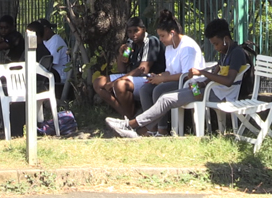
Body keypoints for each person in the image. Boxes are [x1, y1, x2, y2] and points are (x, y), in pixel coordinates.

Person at [106, 18, 248, 138]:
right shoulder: (225, 51)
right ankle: (141, 128)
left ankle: (131, 125)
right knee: (163, 96)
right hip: (204, 91)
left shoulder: (236, 53)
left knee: (166, 98)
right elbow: (216, 76)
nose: (216, 48)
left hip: (219, 96)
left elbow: (229, 81)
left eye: (216, 44)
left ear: (226, 39)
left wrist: (203, 74)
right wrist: (203, 81)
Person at [136, 9, 205, 135]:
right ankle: (152, 129)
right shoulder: (169, 47)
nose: (160, 39)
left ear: (172, 33)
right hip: (176, 81)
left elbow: (186, 75)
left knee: (159, 90)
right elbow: (169, 71)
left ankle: (162, 130)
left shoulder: (187, 47)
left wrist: (162, 80)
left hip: (190, 85)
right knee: (145, 89)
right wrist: (158, 76)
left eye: (162, 36)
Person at [92, 17, 166, 119]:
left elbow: (143, 69)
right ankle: (126, 115)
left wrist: (115, 82)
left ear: (143, 30)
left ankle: (130, 118)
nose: (133, 34)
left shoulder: (150, 41)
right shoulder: (131, 43)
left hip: (150, 77)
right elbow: (121, 68)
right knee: (98, 82)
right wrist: (120, 54)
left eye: (136, 30)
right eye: (130, 32)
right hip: (134, 76)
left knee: (120, 84)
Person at [37, 18, 69, 84]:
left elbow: (50, 63)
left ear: (46, 30)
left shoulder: (56, 40)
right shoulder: (45, 41)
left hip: (59, 74)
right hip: (50, 72)